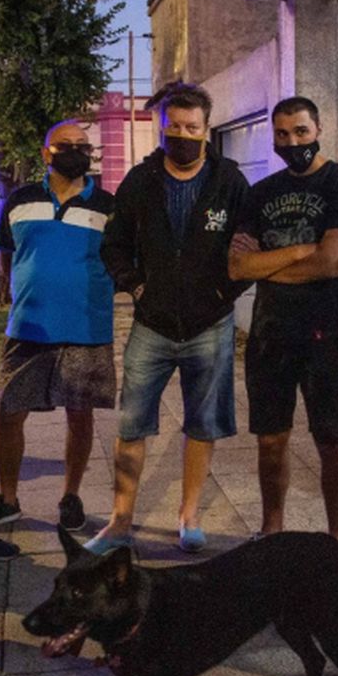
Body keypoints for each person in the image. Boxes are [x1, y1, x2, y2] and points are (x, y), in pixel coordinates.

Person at [93, 82, 250, 554]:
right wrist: (136, 284)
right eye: (173, 128)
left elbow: (249, 247)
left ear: (206, 129)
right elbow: (114, 245)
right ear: (161, 129)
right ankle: (121, 521)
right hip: (152, 324)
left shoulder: (230, 182)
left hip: (210, 323)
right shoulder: (140, 183)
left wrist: (226, 291)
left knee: (202, 425)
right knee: (132, 424)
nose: (182, 135)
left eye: (191, 128)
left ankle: (190, 514)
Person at [227, 96, 338, 542]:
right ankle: (272, 534)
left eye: (301, 132)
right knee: (270, 440)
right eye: (283, 135)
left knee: (332, 441)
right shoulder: (260, 192)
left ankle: (336, 541)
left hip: (327, 333)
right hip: (271, 333)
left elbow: (330, 263)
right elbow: (237, 268)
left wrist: (267, 264)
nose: (292, 142)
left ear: (318, 129)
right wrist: (301, 251)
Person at [0, 120, 117, 537]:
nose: (75, 151)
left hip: (86, 328)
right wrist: (14, 289)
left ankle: (71, 496)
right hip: (27, 327)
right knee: (10, 413)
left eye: (82, 145)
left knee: (80, 415)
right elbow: (6, 251)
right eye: (65, 145)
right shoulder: (20, 200)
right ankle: (7, 499)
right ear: (46, 153)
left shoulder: (108, 207)